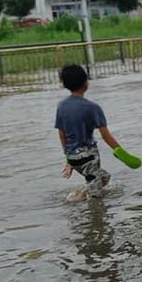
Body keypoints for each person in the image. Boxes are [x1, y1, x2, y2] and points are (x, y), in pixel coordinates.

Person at [55, 64, 123, 201]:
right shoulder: (93, 108)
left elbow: (62, 134)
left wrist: (69, 159)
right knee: (96, 198)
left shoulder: (61, 106)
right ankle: (80, 204)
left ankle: (83, 194)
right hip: (89, 157)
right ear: (86, 83)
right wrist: (121, 152)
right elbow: (106, 135)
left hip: (74, 158)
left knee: (104, 177)